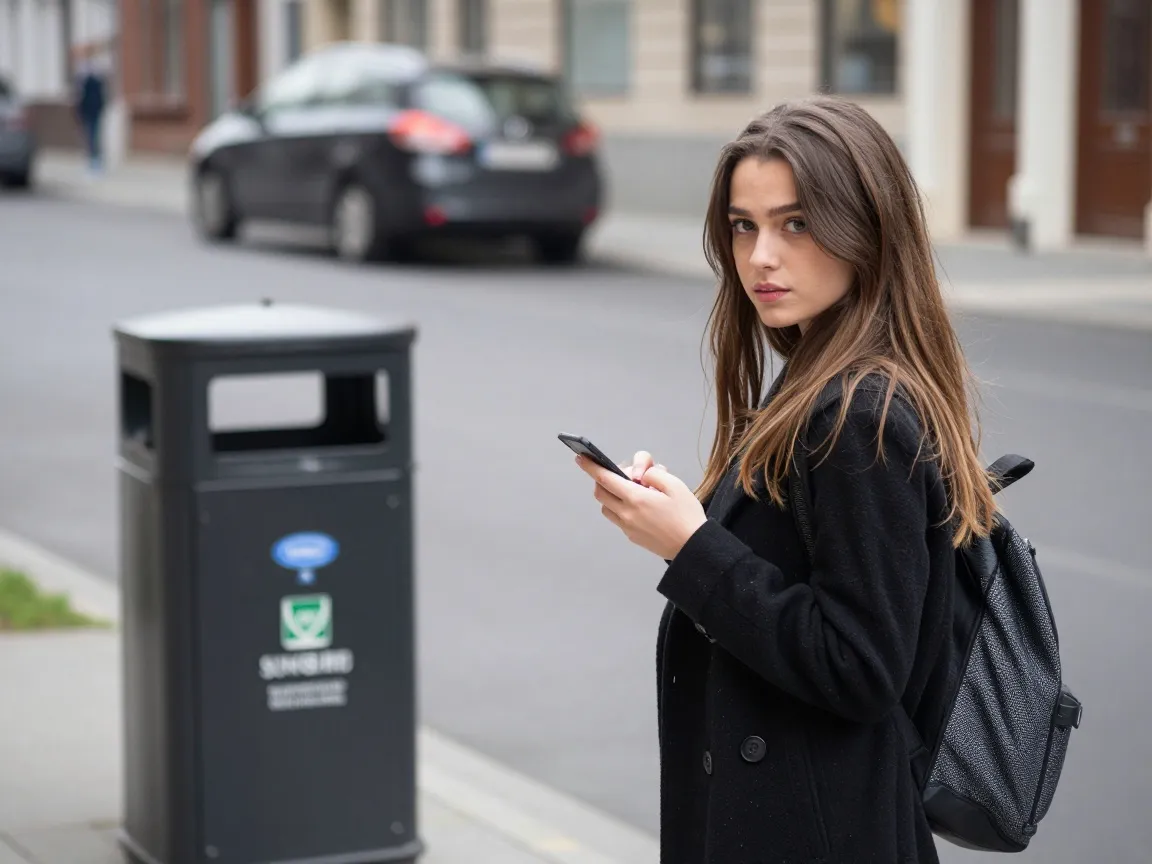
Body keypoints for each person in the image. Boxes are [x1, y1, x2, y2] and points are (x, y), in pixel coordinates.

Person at [574, 95, 998, 864]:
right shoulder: (819, 374)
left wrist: (692, 548)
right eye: (744, 225)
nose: (761, 256)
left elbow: (861, 667)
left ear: (867, 228)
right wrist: (688, 517)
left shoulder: (862, 414)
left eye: (796, 224)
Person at [74, 49, 107, 173]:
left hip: (93, 110)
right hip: (89, 110)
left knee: (93, 135)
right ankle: (93, 159)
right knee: (91, 135)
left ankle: (95, 160)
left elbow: (98, 94)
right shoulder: (85, 74)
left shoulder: (90, 75)